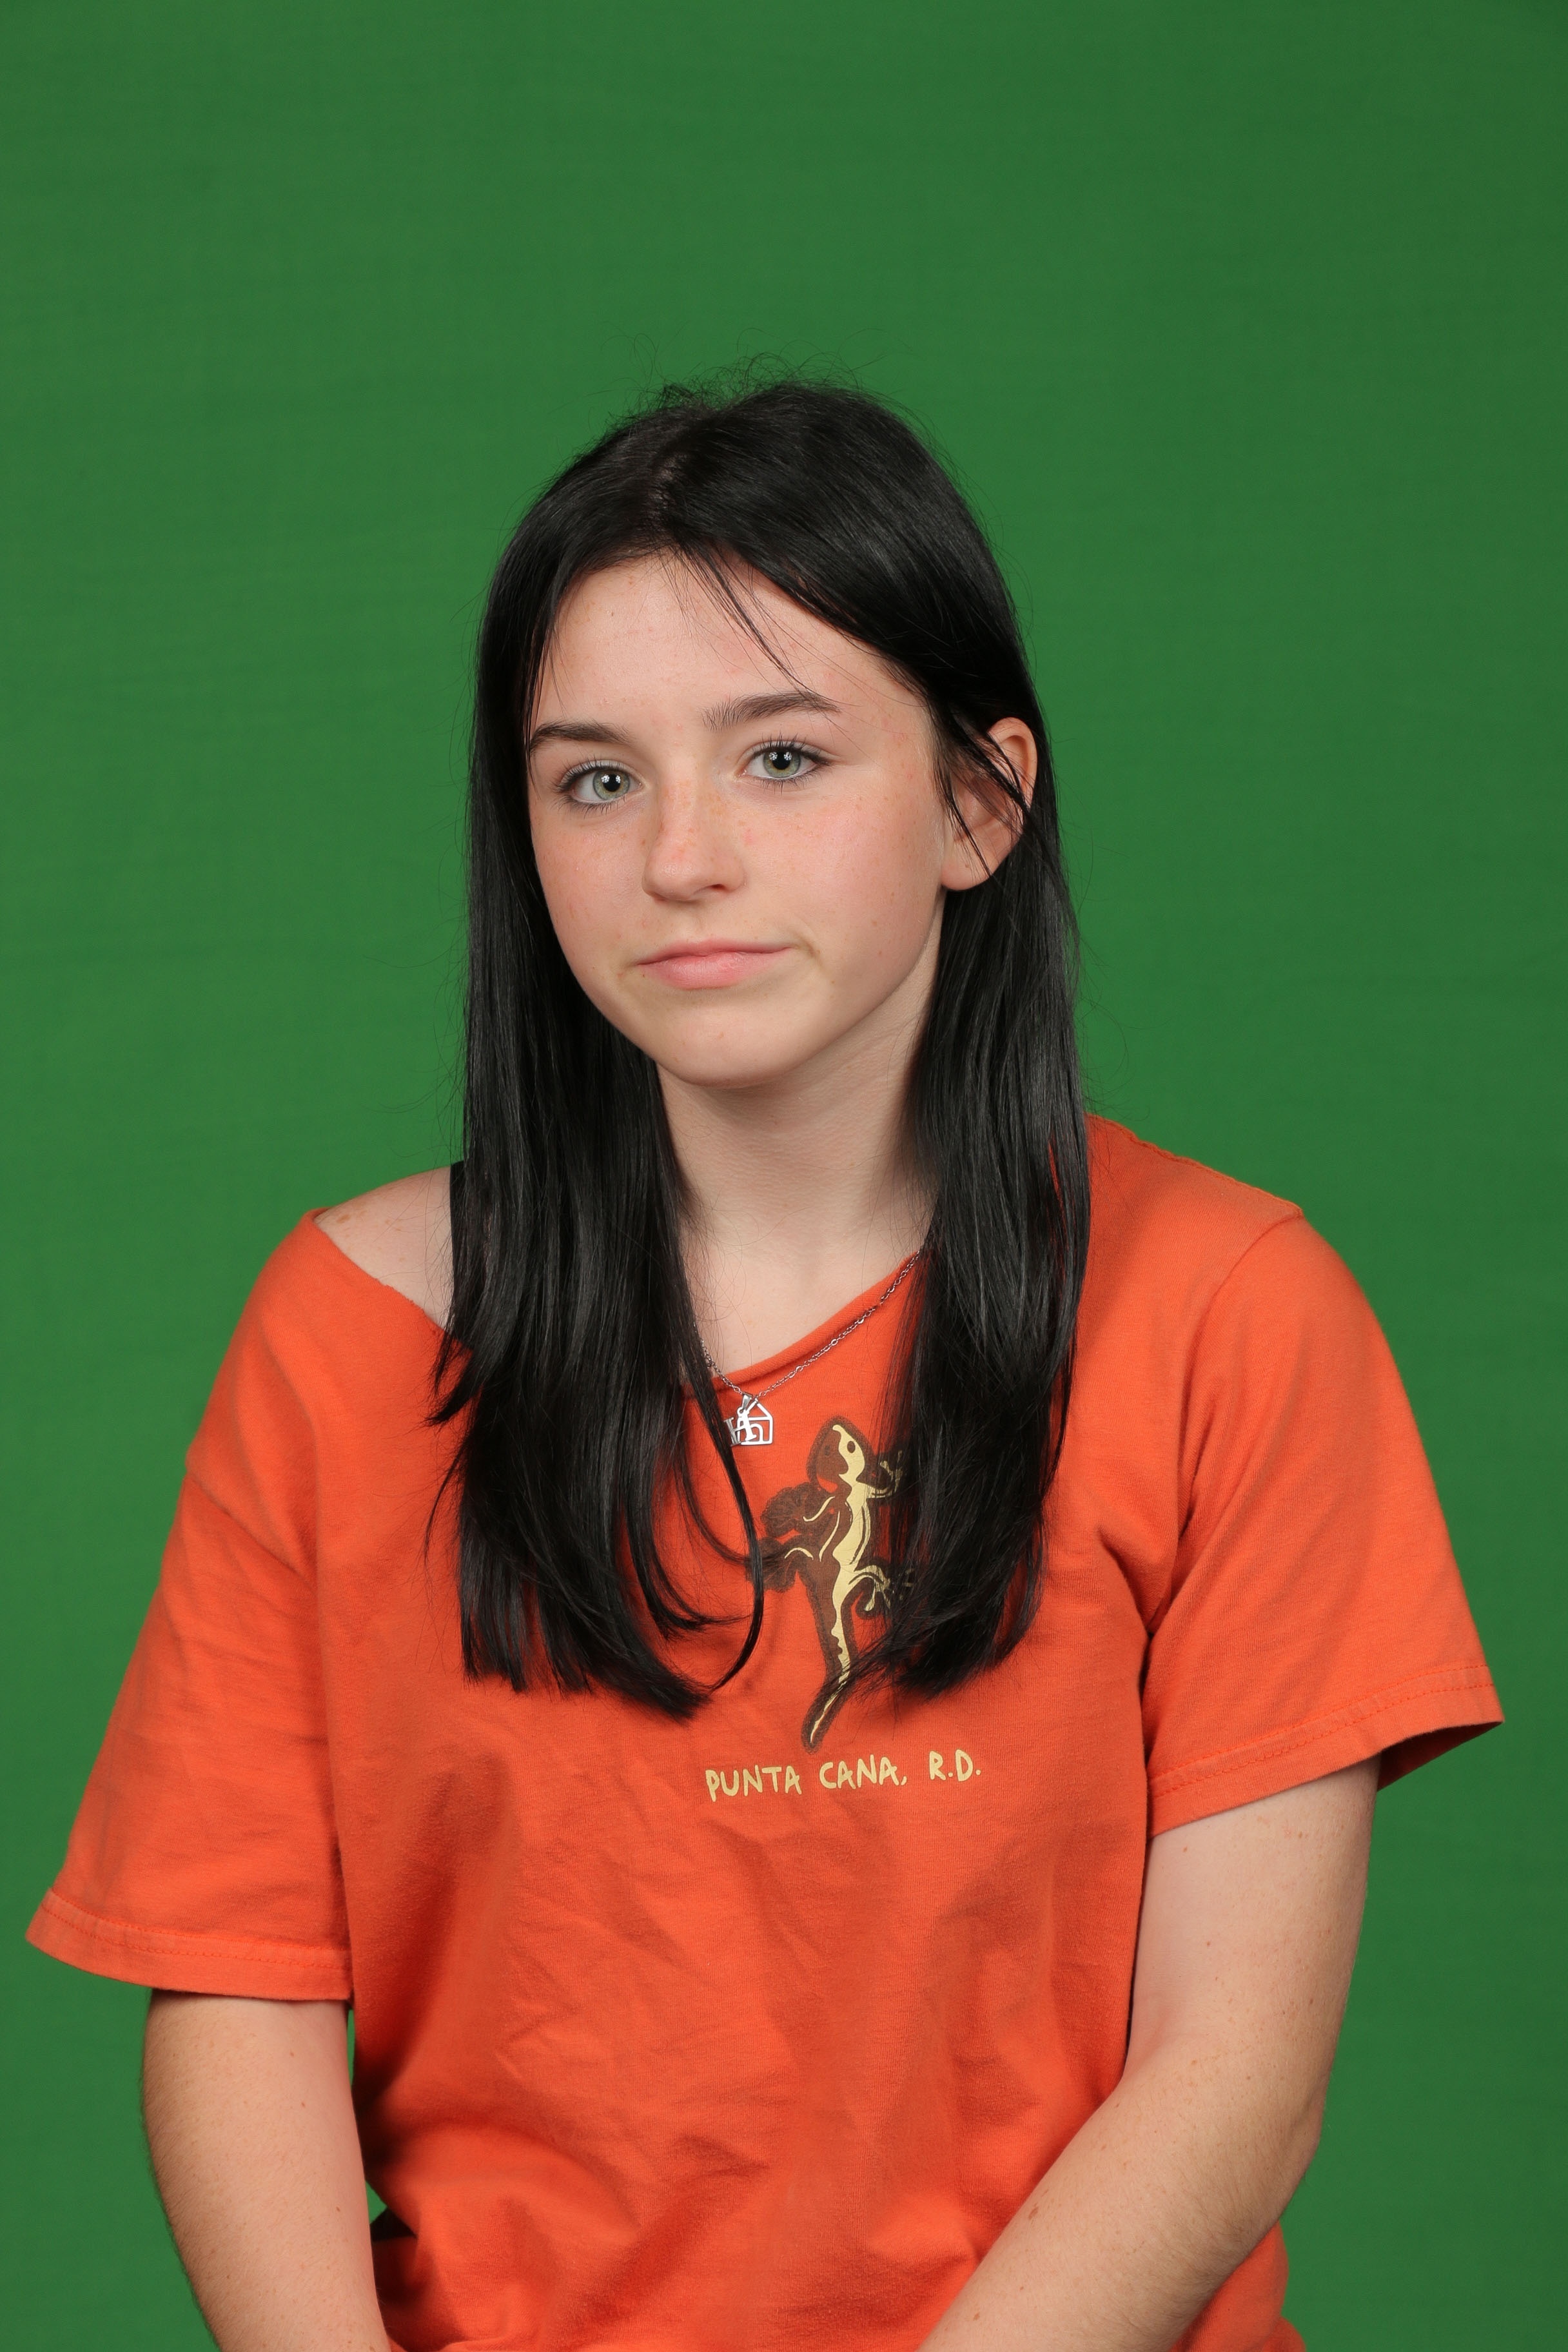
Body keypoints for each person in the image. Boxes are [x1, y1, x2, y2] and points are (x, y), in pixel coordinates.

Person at [28, 378, 1500, 2352]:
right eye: (595, 782)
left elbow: (1233, 2076)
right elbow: (238, 1989)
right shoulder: (348, 1330)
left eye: (782, 757)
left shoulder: (1233, 1311)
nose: (682, 857)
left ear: (981, 802)